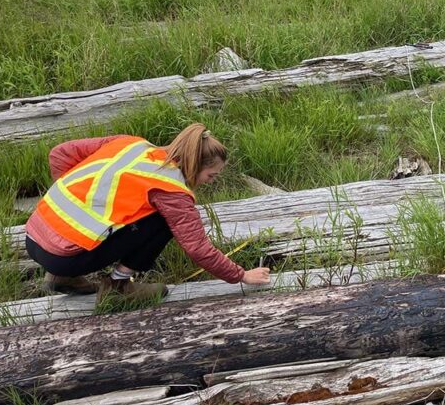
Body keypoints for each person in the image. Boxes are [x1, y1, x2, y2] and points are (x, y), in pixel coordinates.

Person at [25, 123, 271, 302]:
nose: (209, 182)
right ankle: (118, 287)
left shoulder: (130, 144)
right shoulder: (171, 190)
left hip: (34, 237)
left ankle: (60, 277)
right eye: (211, 175)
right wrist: (242, 275)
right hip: (65, 257)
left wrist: (76, 197)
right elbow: (197, 248)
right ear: (195, 164)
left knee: (139, 216)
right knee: (161, 223)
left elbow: (60, 153)